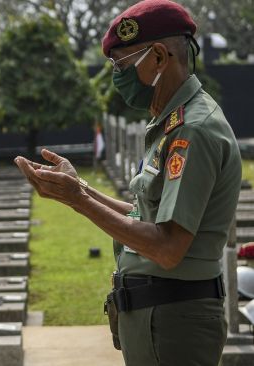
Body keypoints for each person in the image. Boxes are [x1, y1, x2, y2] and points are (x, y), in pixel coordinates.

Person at [14, 0, 241, 364]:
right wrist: (81, 190)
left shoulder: (194, 130)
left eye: (121, 64)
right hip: (158, 315)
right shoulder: (170, 124)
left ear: (158, 57)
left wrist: (79, 201)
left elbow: (168, 248)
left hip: (173, 319)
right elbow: (146, 215)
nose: (116, 76)